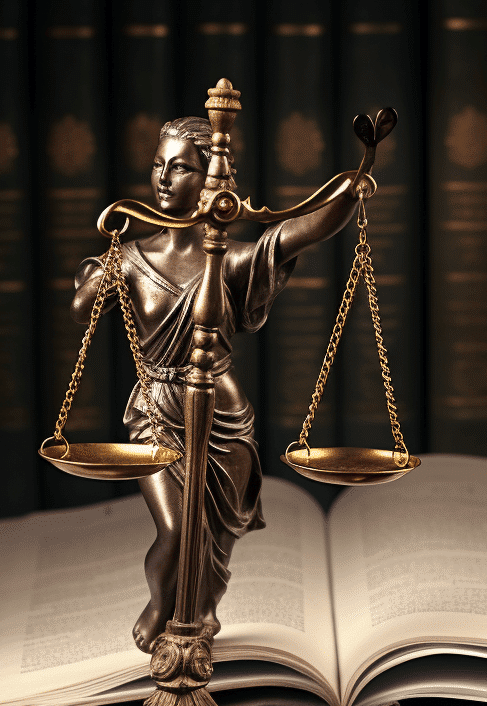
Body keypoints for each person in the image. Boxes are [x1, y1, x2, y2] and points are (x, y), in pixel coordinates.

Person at [71, 116, 359, 652]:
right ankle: (162, 604)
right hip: (157, 411)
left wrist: (356, 182)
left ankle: (200, 620)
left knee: (217, 541)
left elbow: (306, 229)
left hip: (226, 414)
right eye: (158, 164)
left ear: (208, 180)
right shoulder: (131, 256)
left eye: (179, 168)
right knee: (178, 532)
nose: (162, 178)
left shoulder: (230, 260)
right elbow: (80, 305)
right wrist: (104, 274)